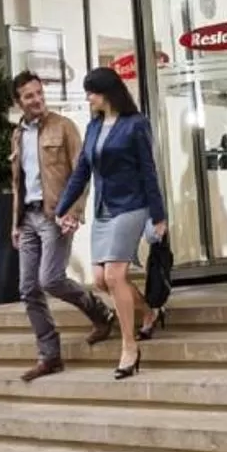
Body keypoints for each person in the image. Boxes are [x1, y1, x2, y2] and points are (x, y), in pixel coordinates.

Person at [58, 68, 168, 379]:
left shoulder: (135, 125)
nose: (88, 97)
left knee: (115, 274)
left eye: (91, 91)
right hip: (104, 209)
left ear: (107, 92)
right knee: (100, 280)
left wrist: (158, 216)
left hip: (132, 206)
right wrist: (62, 207)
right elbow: (81, 171)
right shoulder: (93, 128)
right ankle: (147, 311)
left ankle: (129, 348)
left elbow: (149, 171)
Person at [8, 70, 113, 382]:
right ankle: (50, 356)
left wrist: (75, 211)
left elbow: (83, 172)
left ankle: (100, 312)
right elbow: (18, 183)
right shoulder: (17, 134)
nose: (37, 99)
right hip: (27, 218)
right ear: (18, 102)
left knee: (50, 279)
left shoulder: (64, 127)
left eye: (39, 93)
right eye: (29, 96)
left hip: (56, 214)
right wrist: (14, 223)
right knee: (28, 289)